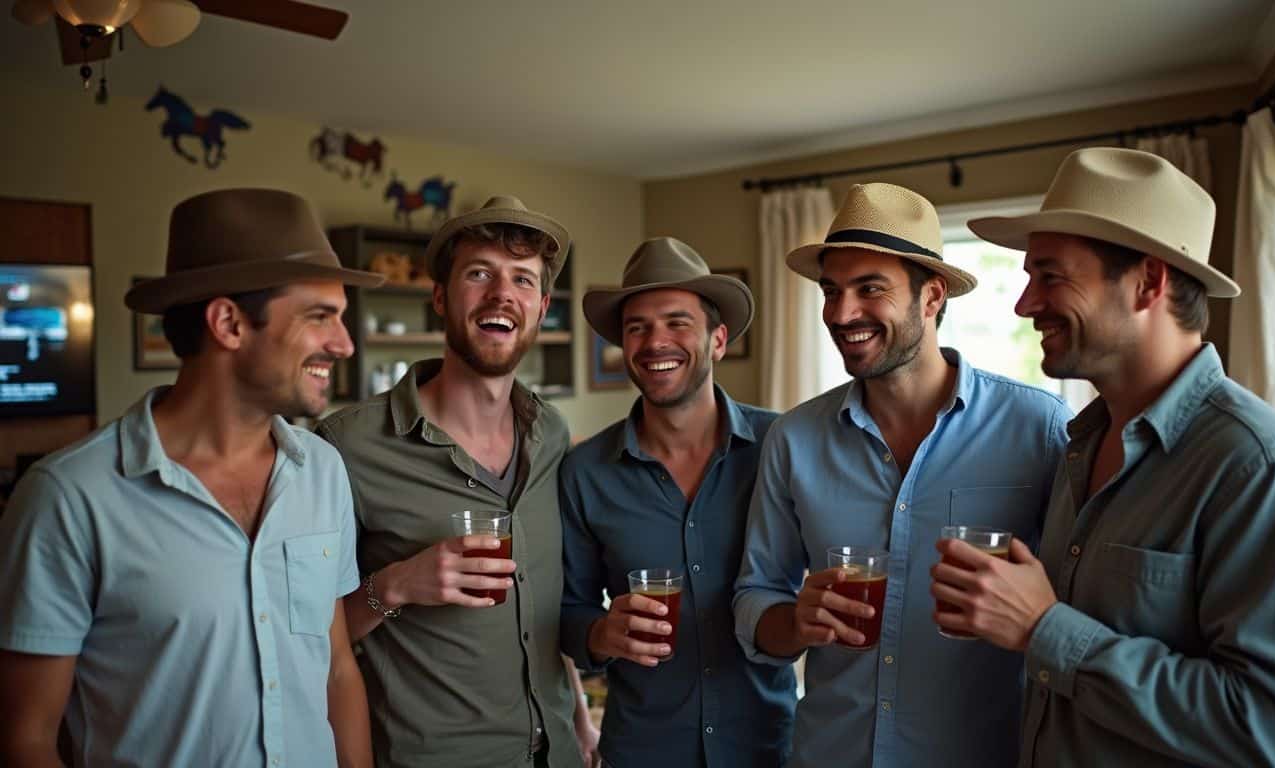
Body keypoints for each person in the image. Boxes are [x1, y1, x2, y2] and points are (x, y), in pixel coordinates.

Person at [929, 146, 1275, 767]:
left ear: (1149, 282)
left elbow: (1270, 733)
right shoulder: (1079, 446)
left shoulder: (1257, 469)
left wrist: (1045, 629)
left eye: (1051, 275)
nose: (1024, 304)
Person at [0, 188, 381, 767]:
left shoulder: (322, 471)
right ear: (228, 322)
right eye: (319, 317)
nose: (345, 344)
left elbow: (336, 672)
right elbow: (26, 738)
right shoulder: (70, 498)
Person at [733, 183, 1072, 767]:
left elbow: (1072, 603)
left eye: (870, 289)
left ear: (932, 296)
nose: (842, 314)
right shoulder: (794, 439)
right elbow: (755, 598)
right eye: (831, 291)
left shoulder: (1037, 428)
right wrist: (794, 621)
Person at [316, 196, 598, 768]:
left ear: (541, 308)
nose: (501, 294)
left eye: (521, 280)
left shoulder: (550, 434)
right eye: (479, 274)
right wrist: (393, 585)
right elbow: (300, 636)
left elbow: (541, 596)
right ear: (441, 298)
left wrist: (581, 719)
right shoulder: (345, 448)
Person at [560, 237, 797, 768]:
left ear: (717, 340)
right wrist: (601, 631)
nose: (654, 342)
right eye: (637, 327)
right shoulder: (585, 471)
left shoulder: (781, 446)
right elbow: (568, 612)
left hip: (768, 748)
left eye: (676, 322)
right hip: (642, 750)